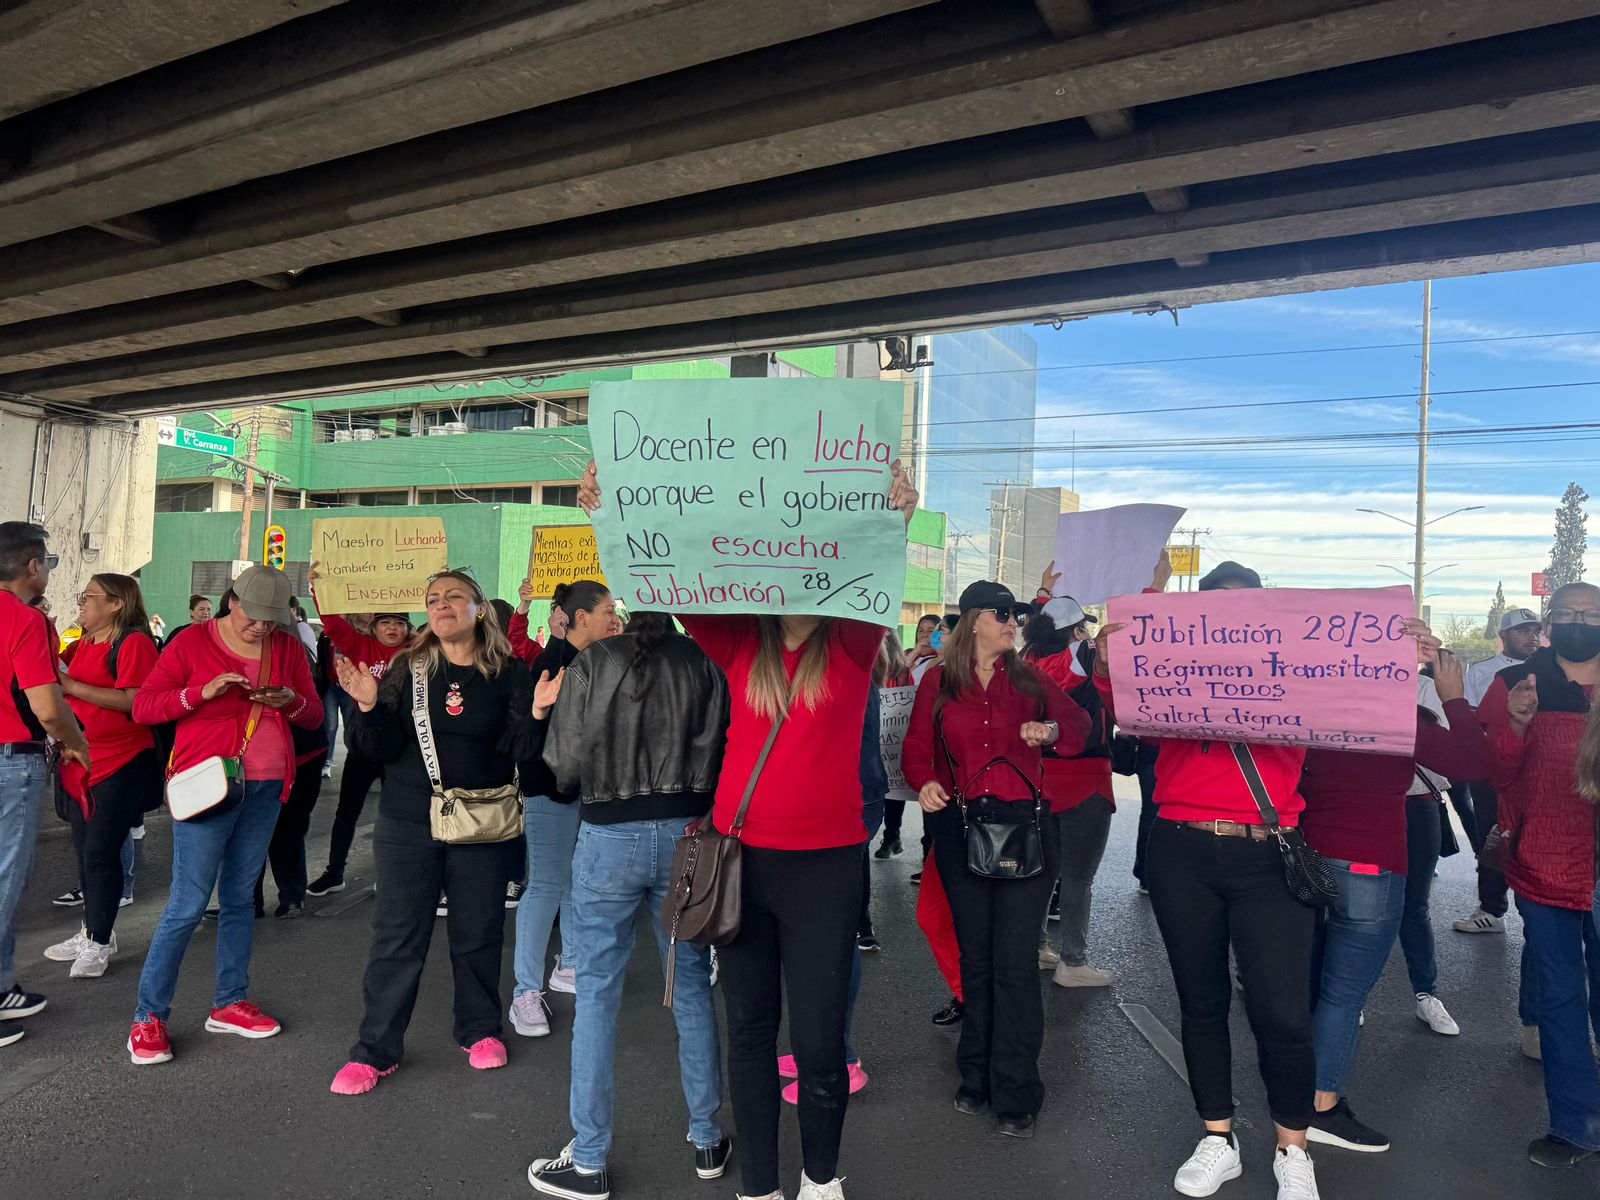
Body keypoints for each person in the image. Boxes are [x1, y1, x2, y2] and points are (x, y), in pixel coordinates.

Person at [576, 456, 915, 1200]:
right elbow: (657, 575)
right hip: (740, 864)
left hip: (826, 871)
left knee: (820, 1045)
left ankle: (820, 1181)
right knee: (752, 1034)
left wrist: (898, 513)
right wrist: (611, 516)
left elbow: (882, 564)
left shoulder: (855, 641)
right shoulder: (733, 639)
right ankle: (760, 1186)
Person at [1094, 559, 1323, 1200]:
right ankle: (1218, 1137)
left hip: (1268, 852)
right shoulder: (1173, 668)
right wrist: (1135, 616)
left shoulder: (1299, 668)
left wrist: (1398, 652)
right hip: (1181, 850)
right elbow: (1122, 693)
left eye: (1242, 605)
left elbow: (1356, 696)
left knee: (1283, 1011)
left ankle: (1292, 1148)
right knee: (1201, 1002)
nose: (1230, 617)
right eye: (1215, 606)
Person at [526, 610, 731, 1197]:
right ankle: (707, 1139)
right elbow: (725, 750)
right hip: (688, 835)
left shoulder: (594, 660)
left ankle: (589, 1160)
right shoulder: (704, 660)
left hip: (608, 834)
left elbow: (562, 765)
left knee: (595, 992)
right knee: (690, 983)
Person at [329, 570, 557, 1094]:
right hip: (408, 824)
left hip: (483, 826)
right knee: (397, 938)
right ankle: (375, 1050)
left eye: (454, 597)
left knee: (478, 933)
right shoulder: (407, 668)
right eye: (433, 599)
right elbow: (375, 749)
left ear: (479, 608)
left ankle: (479, 1030)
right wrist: (366, 704)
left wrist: (539, 713)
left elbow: (523, 751)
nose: (442, 605)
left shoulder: (509, 672)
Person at [902, 579, 1089, 1140]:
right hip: (960, 832)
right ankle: (975, 1074)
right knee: (976, 960)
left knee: (1013, 964)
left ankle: (1016, 1087)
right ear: (973, 621)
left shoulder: (1031, 678)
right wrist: (927, 782)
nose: (1014, 622)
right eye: (1002, 614)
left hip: (1027, 833)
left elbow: (1079, 729)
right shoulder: (938, 679)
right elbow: (915, 752)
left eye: (1019, 615)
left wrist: (1051, 728)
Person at [1298, 637, 1490, 1153]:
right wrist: (1451, 695)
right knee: (1342, 996)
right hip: (1372, 865)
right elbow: (1474, 762)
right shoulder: (1403, 717)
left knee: (1308, 987)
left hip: (1303, 862)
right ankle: (1320, 1106)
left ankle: (1291, 1093)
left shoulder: (1301, 707)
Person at [126, 565, 322, 1065]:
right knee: (187, 905)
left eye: (272, 620)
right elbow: (145, 707)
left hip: (267, 785)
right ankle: (148, 1018)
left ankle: (229, 1002)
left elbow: (315, 714)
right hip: (209, 787)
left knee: (239, 898)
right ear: (232, 601)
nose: (262, 628)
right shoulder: (191, 642)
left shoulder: (288, 647)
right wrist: (200, 694)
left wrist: (291, 701)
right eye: (255, 617)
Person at [1478, 581, 1600, 1168]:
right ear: (1550, 621)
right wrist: (1518, 725)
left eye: (1592, 614)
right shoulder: (1514, 684)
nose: (1580, 622)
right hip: (1547, 865)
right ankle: (1575, 1124)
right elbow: (1494, 773)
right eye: (1568, 613)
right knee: (1557, 997)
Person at [509, 580, 614, 1037]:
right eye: (608, 611)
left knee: (576, 880)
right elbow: (536, 739)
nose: (616, 618)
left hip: (588, 793)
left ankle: (569, 964)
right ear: (582, 617)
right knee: (547, 885)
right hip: (549, 791)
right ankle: (524, 992)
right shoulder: (551, 663)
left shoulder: (601, 660)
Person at [46, 574, 162, 978]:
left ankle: (98, 940)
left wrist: (70, 684)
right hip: (82, 760)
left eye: (89, 597)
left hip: (122, 761)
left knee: (100, 851)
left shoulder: (133, 643)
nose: (81, 603)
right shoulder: (84, 644)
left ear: (116, 604)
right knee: (84, 851)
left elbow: (135, 701)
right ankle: (93, 930)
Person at [0, 523, 90, 1043]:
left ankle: (4, 983)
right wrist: (76, 742)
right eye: (47, 562)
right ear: (32, 566)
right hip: (10, 761)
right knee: (5, 880)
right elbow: (47, 706)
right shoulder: (24, 620)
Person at [1021, 580, 1117, 988]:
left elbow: (1040, 622)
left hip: (1038, 780)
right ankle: (1073, 962)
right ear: (1078, 633)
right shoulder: (1078, 660)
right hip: (1086, 782)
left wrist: (1044, 592)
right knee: (1079, 878)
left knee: (1042, 872)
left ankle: (1036, 946)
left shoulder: (1024, 662)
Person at [305, 564, 415, 897]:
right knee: (347, 811)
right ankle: (334, 872)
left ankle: (395, 873)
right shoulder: (360, 646)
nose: (392, 628)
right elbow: (333, 624)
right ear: (375, 627)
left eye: (399, 623)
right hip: (364, 744)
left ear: (408, 628)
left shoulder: (418, 650)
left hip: (402, 747)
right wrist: (318, 589)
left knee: (398, 813)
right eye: (386, 622)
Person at [1454, 607, 1544, 935]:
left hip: (1539, 769)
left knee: (1538, 838)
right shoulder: (1483, 671)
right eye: (1522, 630)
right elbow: (1471, 720)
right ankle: (1491, 909)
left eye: (1535, 629)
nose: (1531, 636)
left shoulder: (1555, 666)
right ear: (1503, 635)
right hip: (1493, 768)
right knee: (1492, 838)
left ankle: (1544, 909)